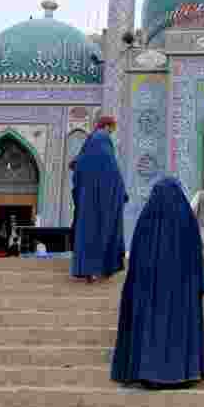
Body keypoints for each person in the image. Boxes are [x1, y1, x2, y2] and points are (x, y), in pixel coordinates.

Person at [111, 177, 204, 388]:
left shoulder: (145, 221)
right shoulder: (187, 222)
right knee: (179, 323)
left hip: (150, 292)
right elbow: (197, 260)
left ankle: (150, 371)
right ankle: (184, 371)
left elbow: (135, 263)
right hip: (182, 292)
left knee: (151, 324)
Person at [71, 116, 128, 284]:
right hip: (102, 195)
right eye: (112, 128)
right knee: (103, 227)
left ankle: (87, 269)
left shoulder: (90, 140)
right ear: (108, 126)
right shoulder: (103, 138)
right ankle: (97, 269)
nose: (112, 131)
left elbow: (77, 164)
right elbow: (111, 167)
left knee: (88, 230)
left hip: (87, 195)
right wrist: (121, 190)